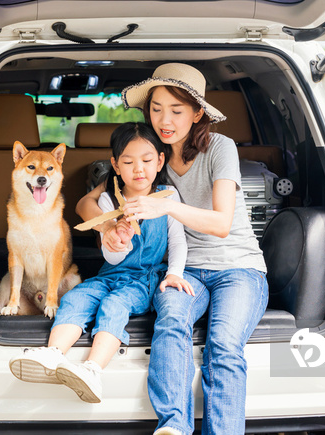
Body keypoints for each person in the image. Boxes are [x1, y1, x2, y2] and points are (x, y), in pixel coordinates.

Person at [76, 63, 268, 434]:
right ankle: (173, 426)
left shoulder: (220, 148)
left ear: (198, 114)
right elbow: (88, 202)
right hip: (184, 271)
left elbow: (222, 223)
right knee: (170, 322)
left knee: (223, 345)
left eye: (177, 111)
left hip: (238, 269)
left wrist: (165, 205)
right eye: (156, 109)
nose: (165, 120)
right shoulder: (149, 156)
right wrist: (107, 228)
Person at [8, 122, 194, 404]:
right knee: (77, 296)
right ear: (115, 166)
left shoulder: (168, 197)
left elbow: (178, 240)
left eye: (146, 161)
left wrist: (174, 273)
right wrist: (117, 240)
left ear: (160, 161)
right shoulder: (109, 200)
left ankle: (93, 368)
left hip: (144, 279)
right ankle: (53, 353)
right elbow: (111, 257)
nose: (139, 169)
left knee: (114, 305)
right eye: (128, 162)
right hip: (110, 273)